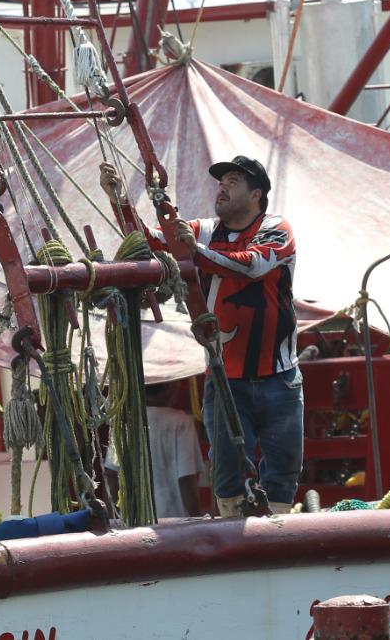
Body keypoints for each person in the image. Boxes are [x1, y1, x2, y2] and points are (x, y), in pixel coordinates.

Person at [100, 155, 302, 517]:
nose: (222, 188)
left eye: (233, 182)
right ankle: (234, 524)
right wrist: (120, 201)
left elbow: (252, 265)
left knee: (282, 472)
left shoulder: (275, 228)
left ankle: (278, 530)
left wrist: (196, 252)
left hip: (279, 376)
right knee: (226, 472)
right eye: (221, 182)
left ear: (256, 194)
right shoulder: (204, 230)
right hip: (226, 378)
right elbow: (148, 242)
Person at [104, 380, 203, 519]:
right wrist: (197, 520)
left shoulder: (125, 422)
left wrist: (112, 519)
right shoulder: (181, 421)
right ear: (168, 387)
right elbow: (186, 479)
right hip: (172, 520)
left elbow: (111, 474)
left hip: (133, 521)